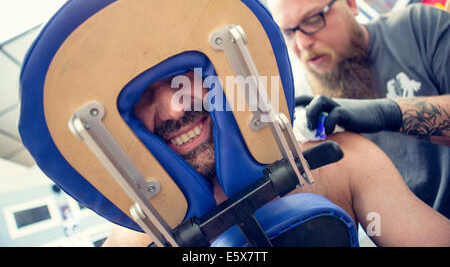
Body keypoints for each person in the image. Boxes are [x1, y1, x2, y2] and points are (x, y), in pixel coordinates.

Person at [102, 71, 450, 247]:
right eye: (145, 93)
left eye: (183, 79)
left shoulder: (338, 160)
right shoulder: (137, 235)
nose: (175, 109)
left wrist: (392, 113)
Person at [266, 0, 450, 218]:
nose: (303, 43)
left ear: (350, 3)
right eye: (289, 32)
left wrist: (388, 113)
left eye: (313, 19)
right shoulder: (306, 112)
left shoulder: (418, 28)